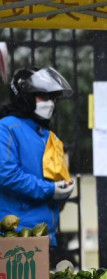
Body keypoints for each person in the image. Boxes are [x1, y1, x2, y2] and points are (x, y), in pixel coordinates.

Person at [0, 67, 75, 246]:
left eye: (52, 98)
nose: (49, 103)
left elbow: (55, 176)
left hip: (47, 235)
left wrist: (62, 190)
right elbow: (6, 174)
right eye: (43, 96)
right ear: (25, 97)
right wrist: (50, 189)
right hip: (17, 234)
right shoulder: (7, 127)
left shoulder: (48, 135)